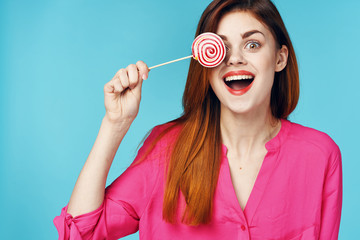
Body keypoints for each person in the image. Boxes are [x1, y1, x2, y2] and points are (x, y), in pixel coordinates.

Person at [53, 0, 343, 239]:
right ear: (205, 62)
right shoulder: (166, 149)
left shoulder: (318, 155)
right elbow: (82, 232)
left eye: (252, 45)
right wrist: (114, 124)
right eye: (223, 47)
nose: (235, 59)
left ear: (279, 59)